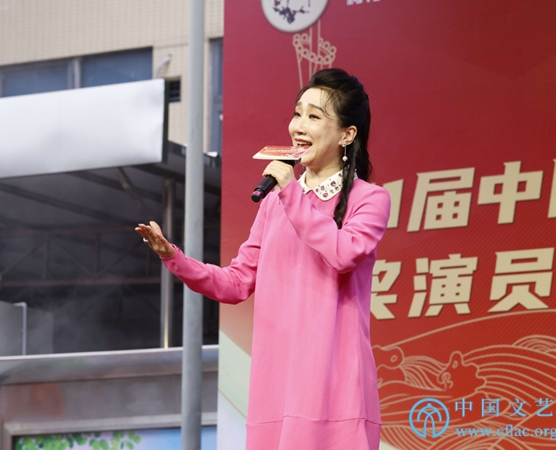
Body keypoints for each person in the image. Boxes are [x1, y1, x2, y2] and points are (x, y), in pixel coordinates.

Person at [136, 68, 391, 450]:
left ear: (347, 134)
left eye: (314, 116)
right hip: (275, 391)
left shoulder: (369, 199)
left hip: (335, 393)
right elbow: (236, 283)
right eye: (297, 113)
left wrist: (290, 194)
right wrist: (174, 257)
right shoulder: (274, 203)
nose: (298, 126)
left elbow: (343, 254)